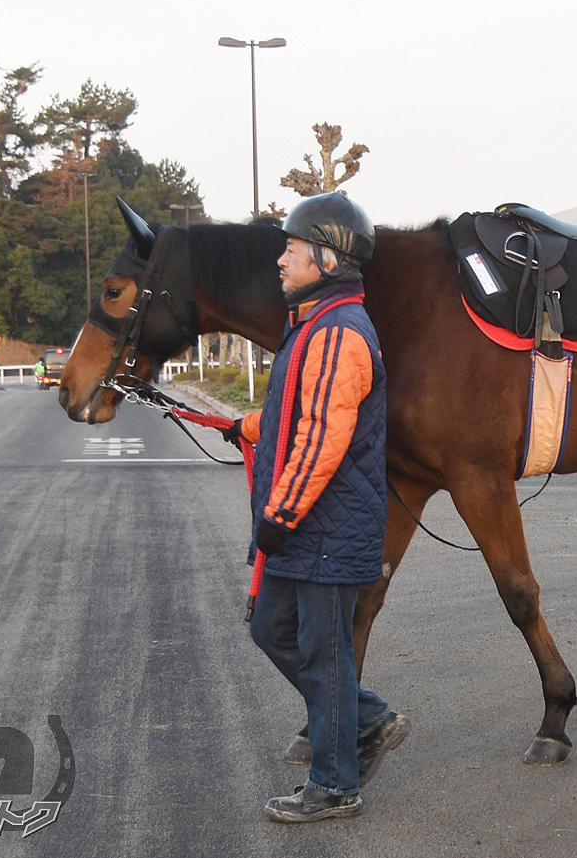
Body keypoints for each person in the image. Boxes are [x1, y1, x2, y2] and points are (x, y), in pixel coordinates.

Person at [224, 193, 408, 823]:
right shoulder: (312, 323)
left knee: (325, 660)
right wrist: (249, 426)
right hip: (311, 525)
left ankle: (335, 786)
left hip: (323, 527)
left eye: (291, 249)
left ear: (326, 259)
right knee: (271, 630)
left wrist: (279, 515)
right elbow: (297, 417)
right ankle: (369, 718)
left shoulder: (337, 333)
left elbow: (326, 438)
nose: (280, 260)